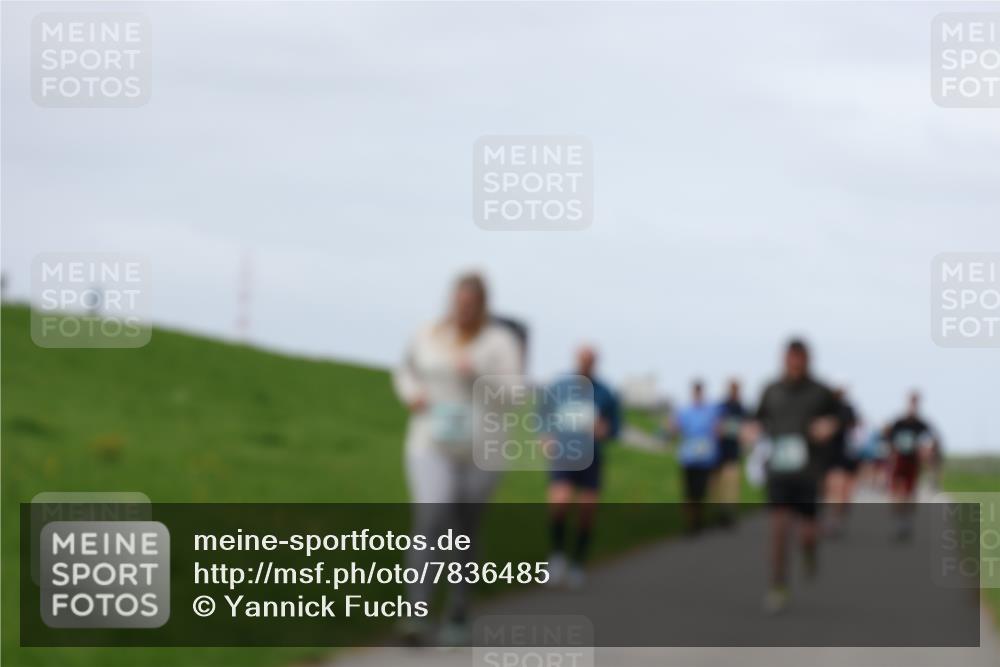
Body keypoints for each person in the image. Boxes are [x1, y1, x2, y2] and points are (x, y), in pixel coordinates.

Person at [392, 272, 522, 644]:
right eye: (458, 303)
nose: (462, 311)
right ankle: (415, 614)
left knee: (463, 533)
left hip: (483, 448)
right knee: (431, 518)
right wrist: (411, 393)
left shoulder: (500, 342)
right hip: (431, 442)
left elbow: (515, 395)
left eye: (470, 305)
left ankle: (459, 611)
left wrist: (479, 373)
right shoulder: (429, 334)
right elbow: (405, 369)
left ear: (482, 305)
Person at [745, 339, 840, 613]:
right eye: (790, 358)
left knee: (807, 533)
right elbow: (757, 419)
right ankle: (778, 585)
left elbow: (840, 418)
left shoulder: (821, 392)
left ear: (808, 360)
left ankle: (810, 553)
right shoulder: (771, 390)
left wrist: (829, 425)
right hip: (778, 470)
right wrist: (751, 430)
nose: (795, 363)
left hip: (808, 471)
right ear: (784, 359)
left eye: (800, 358)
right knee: (778, 528)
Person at [545, 345, 621, 589]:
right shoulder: (560, 387)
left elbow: (616, 427)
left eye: (591, 361)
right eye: (583, 360)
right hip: (564, 455)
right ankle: (557, 555)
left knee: (587, 510)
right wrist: (545, 437)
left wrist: (605, 430)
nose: (586, 364)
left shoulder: (606, 393)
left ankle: (577, 563)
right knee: (560, 502)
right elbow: (543, 415)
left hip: (591, 457)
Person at [884, 390, 939, 540]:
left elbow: (929, 443)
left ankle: (905, 520)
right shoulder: (899, 422)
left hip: (913, 462)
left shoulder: (922, 424)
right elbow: (889, 439)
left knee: (909, 491)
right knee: (896, 490)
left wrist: (927, 457)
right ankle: (899, 517)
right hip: (899, 460)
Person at [671, 380, 721, 535]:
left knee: (701, 491)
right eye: (696, 391)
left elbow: (716, 431)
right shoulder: (685, 411)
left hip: (705, 459)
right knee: (689, 492)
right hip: (689, 458)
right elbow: (676, 428)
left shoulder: (710, 411)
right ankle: (690, 523)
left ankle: (698, 521)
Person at [823, 387, 859, 537]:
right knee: (832, 487)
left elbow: (854, 428)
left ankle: (836, 518)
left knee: (842, 488)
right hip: (828, 453)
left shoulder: (847, 409)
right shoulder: (825, 407)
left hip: (844, 453)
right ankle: (833, 518)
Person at [714, 379, 747, 527]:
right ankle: (721, 514)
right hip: (720, 453)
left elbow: (745, 430)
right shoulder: (721, 407)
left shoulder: (741, 408)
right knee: (719, 487)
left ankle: (730, 515)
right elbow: (716, 427)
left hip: (733, 454)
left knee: (732, 488)